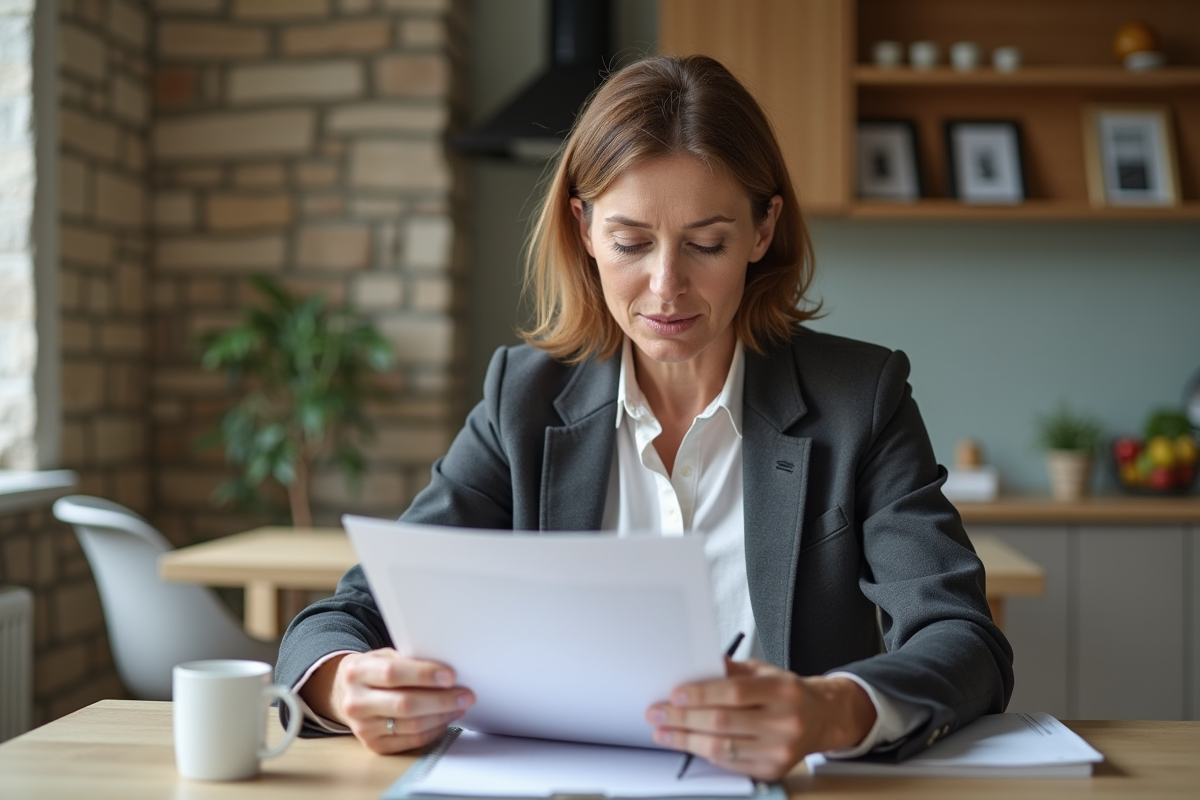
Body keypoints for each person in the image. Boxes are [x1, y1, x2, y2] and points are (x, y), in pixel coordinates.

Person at [276, 54, 1013, 781]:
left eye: (706, 243)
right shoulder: (524, 399)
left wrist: (831, 709)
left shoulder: (860, 396)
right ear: (584, 229)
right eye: (631, 243)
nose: (666, 287)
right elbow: (350, 612)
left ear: (762, 231)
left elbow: (963, 637)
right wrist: (343, 682)